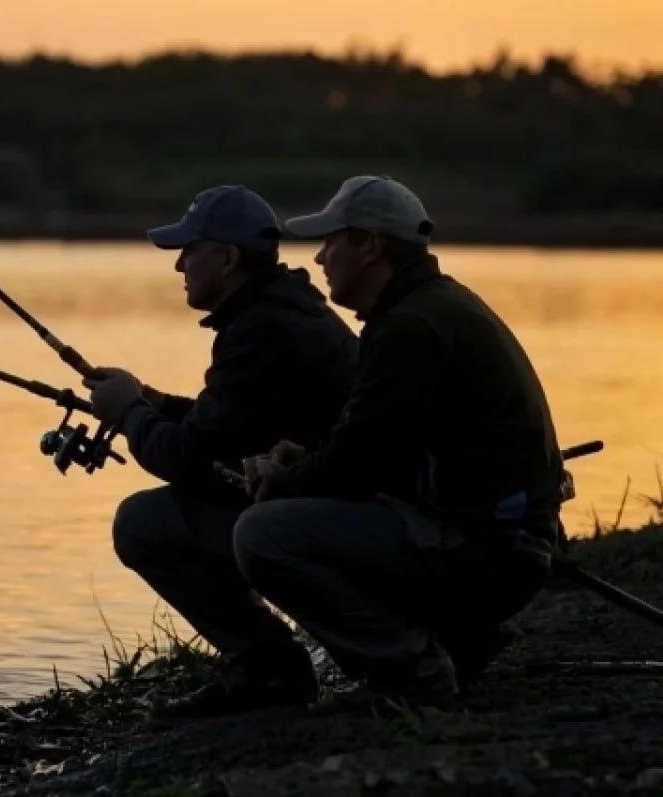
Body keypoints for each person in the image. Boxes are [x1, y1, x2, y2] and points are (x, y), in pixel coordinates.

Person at [232, 175, 564, 708]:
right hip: (506, 543)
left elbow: (359, 465)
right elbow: (379, 445)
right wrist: (308, 459)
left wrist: (281, 481)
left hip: (490, 554)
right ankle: (457, 640)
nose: (319, 258)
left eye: (331, 241)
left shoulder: (411, 327)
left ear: (369, 245)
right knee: (305, 511)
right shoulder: (430, 306)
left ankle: (414, 672)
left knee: (262, 534)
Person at [81, 184, 358, 717]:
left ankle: (271, 667)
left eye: (189, 251)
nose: (179, 265)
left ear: (227, 258)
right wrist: (151, 402)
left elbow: (187, 457)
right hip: (333, 505)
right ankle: (275, 662)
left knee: (143, 522)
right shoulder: (277, 311)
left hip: (331, 519)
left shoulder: (263, 329)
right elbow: (229, 428)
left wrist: (130, 414)